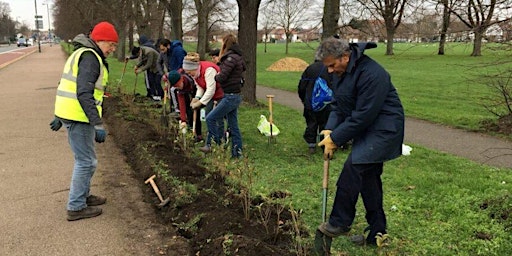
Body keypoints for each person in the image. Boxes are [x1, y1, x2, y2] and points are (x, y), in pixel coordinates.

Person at [315, 38, 405, 246]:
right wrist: (329, 129)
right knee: (369, 180)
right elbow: (338, 105)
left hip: (384, 129)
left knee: (353, 168)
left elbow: (364, 114)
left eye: (331, 65)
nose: (329, 71)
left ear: (345, 57)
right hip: (366, 128)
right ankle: (377, 232)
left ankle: (340, 221)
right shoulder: (341, 73)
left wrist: (336, 139)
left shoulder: (373, 74)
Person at [49, 21, 119, 221]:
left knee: (88, 160)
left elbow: (66, 85)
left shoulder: (82, 53)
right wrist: (98, 123)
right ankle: (76, 206)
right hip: (79, 117)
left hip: (73, 115)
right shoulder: (90, 58)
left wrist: (59, 116)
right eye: (110, 45)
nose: (113, 49)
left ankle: (83, 196)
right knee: (86, 162)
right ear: (99, 40)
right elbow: (83, 93)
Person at [199, 34, 245, 158]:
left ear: (226, 43)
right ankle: (237, 153)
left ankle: (215, 143)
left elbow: (222, 76)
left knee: (210, 118)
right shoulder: (238, 57)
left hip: (230, 96)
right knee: (233, 126)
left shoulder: (229, 58)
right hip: (234, 94)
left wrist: (216, 76)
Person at [182, 52, 224, 151]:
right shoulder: (196, 73)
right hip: (211, 96)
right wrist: (197, 97)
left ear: (194, 67)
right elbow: (200, 86)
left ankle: (219, 140)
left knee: (216, 118)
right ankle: (211, 142)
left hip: (221, 94)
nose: (189, 75)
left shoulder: (208, 70)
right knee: (209, 117)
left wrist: (200, 103)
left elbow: (210, 90)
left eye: (189, 72)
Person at [297, 60, 333, 154]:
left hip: (310, 101)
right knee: (325, 123)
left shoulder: (310, 68)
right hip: (326, 102)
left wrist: (303, 99)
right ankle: (324, 144)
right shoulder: (330, 67)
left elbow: (302, 86)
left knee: (311, 122)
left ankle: (311, 144)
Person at [167, 70, 203, 141]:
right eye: (176, 87)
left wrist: (196, 100)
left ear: (181, 80)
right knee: (188, 111)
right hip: (187, 94)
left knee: (196, 112)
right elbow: (182, 104)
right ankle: (191, 132)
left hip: (198, 91)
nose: (178, 88)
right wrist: (183, 120)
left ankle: (198, 135)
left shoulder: (191, 80)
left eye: (178, 85)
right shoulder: (180, 90)